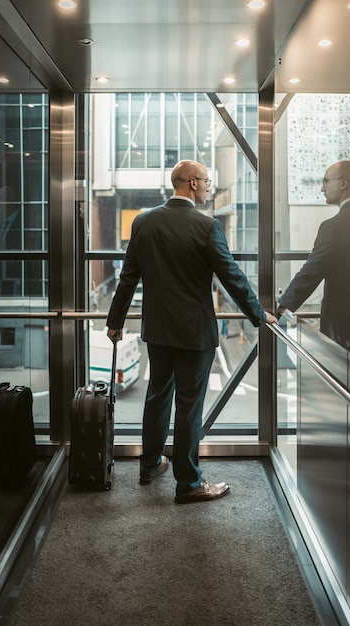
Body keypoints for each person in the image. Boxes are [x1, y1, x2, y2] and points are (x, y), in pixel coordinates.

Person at [107, 160, 277, 504]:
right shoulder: (206, 226)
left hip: (157, 330)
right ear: (193, 183)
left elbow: (128, 278)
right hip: (195, 333)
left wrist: (115, 321)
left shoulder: (143, 222)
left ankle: (150, 465)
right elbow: (232, 278)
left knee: (157, 396)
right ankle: (188, 483)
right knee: (188, 406)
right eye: (208, 181)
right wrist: (259, 315)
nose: (210, 187)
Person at [277, 160, 350, 368]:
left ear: (343, 183)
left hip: (343, 331)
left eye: (325, 181)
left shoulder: (334, 227)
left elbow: (311, 272)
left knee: (344, 391)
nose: (322, 188)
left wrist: (281, 306)